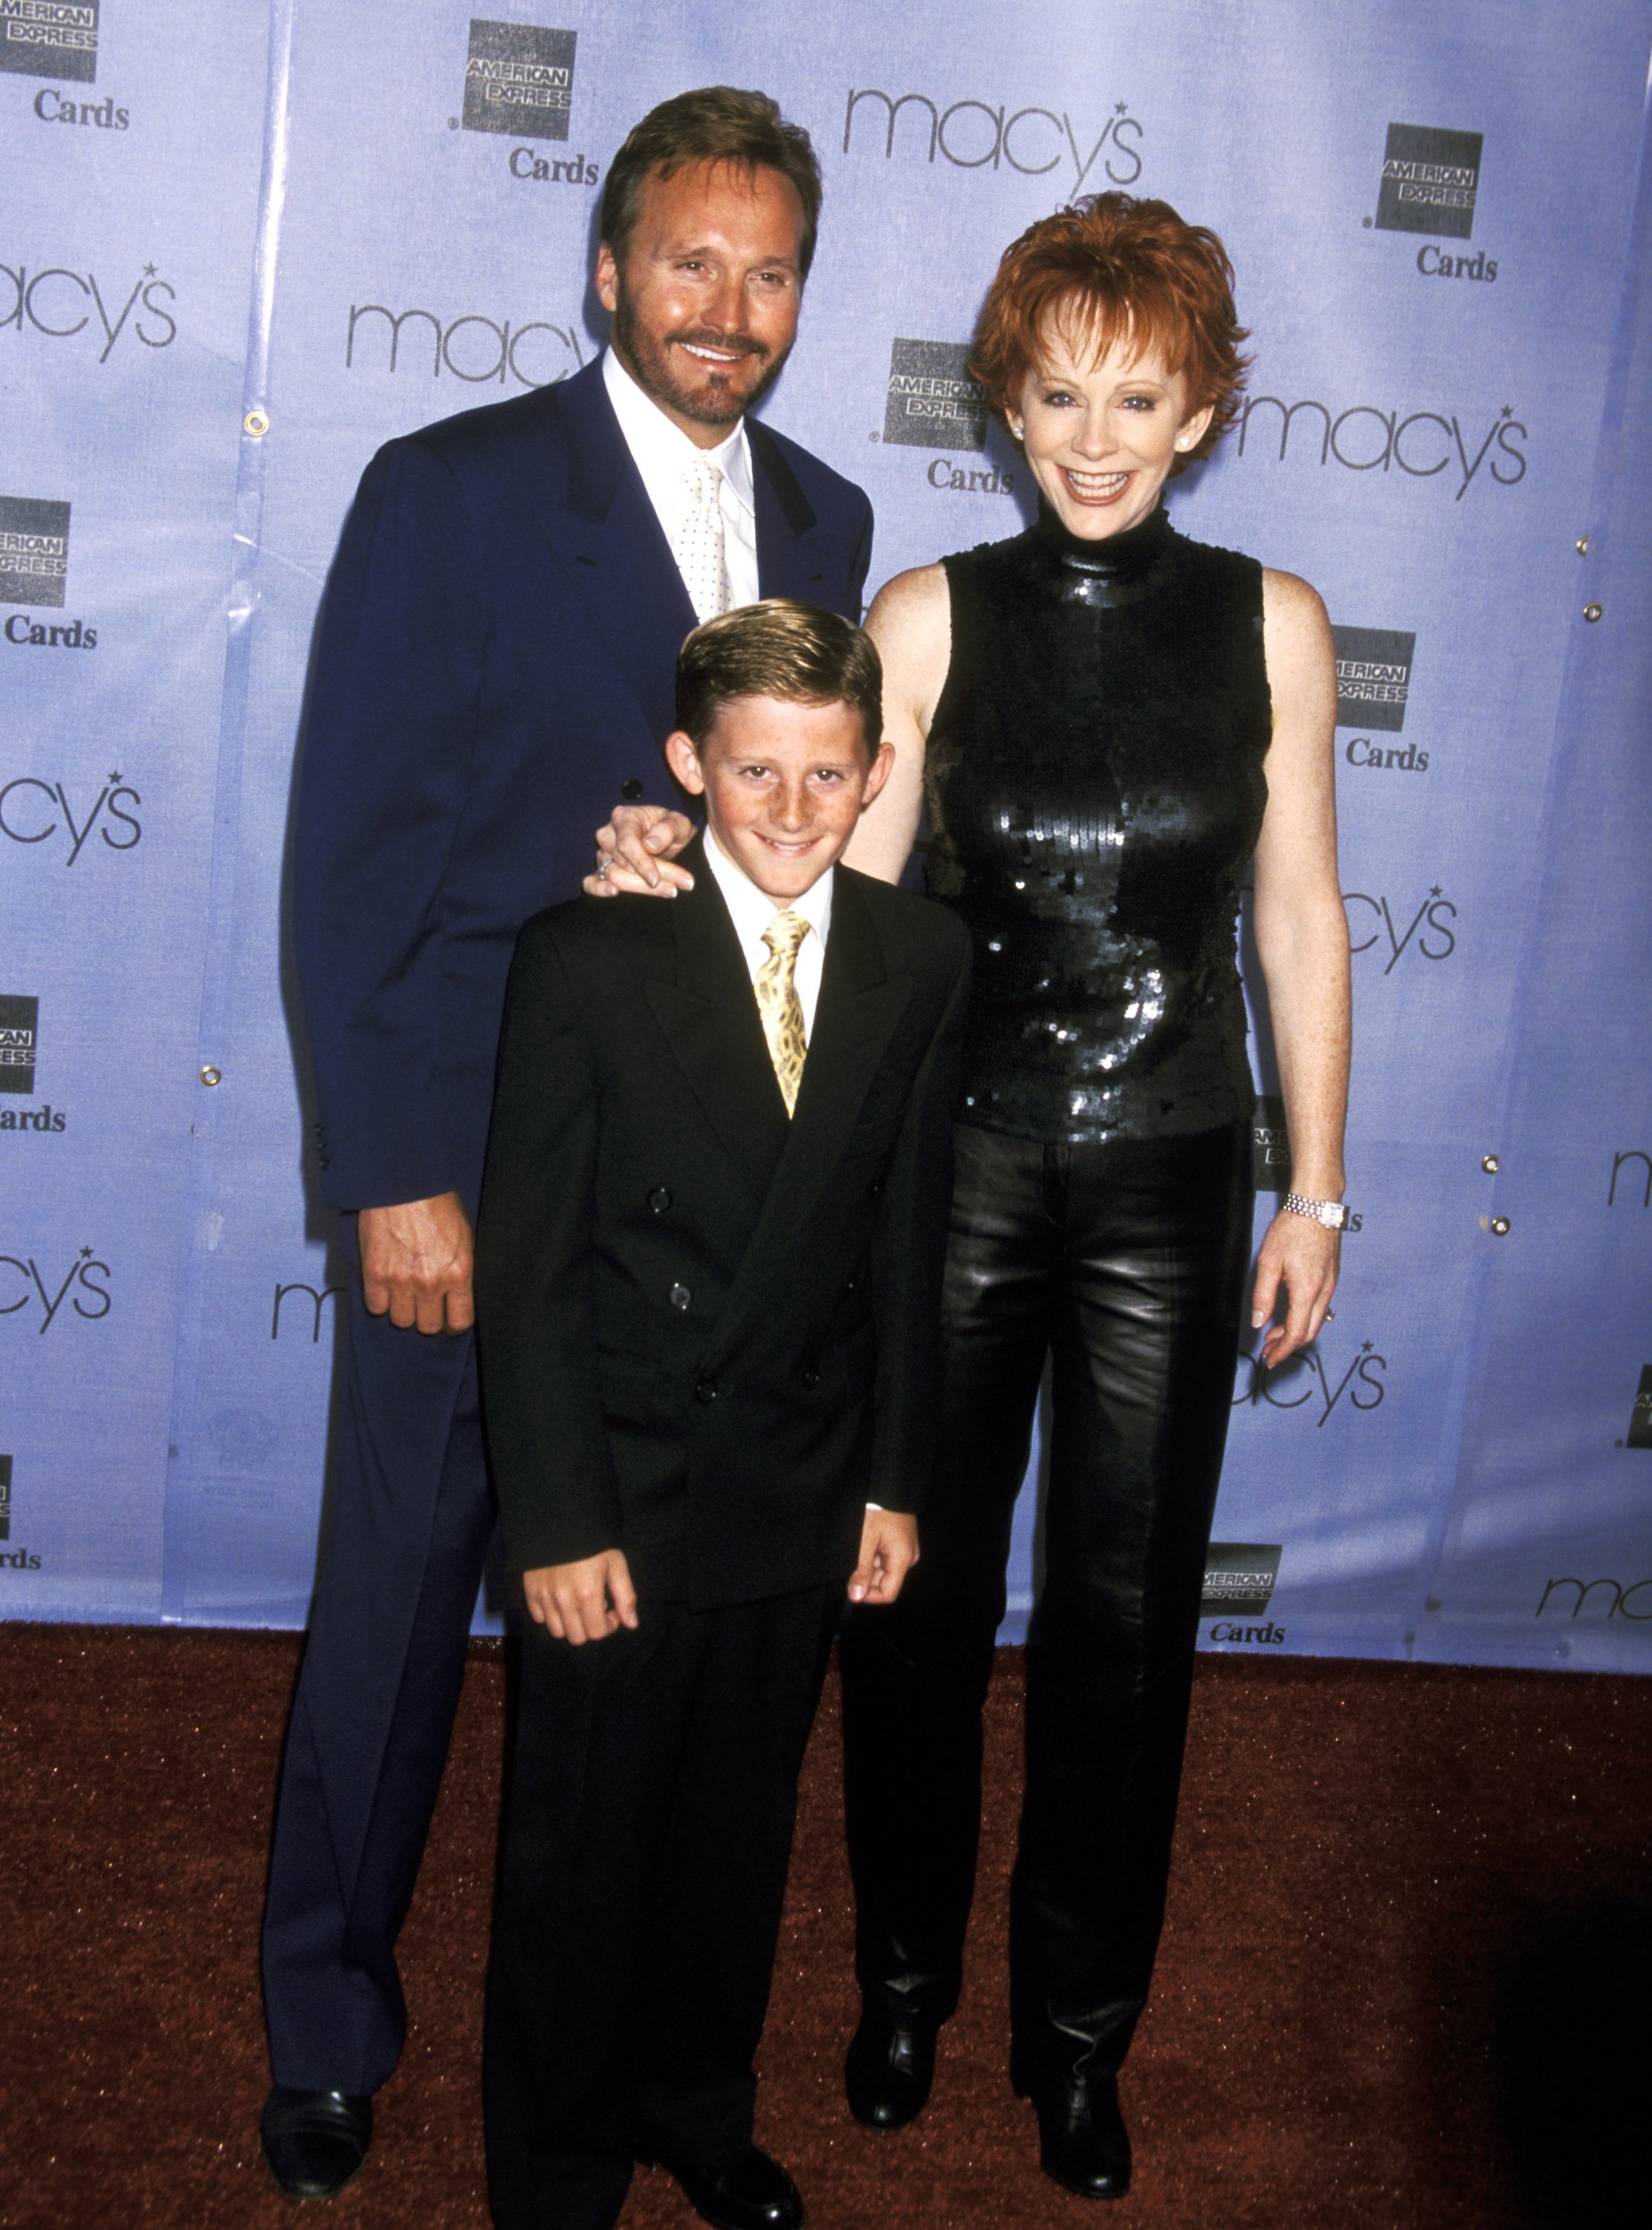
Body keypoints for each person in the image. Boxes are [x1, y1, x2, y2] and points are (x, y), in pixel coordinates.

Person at [591, 193, 1350, 2203]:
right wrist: (671, 880)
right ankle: (911, 1984)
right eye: (1054, 393)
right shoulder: (928, 613)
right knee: (909, 1610)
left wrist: (1319, 1194)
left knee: (1128, 1628)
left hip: (1177, 1182)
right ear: (1006, 405)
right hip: (959, 1177)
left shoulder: (1275, 623)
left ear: (1200, 410)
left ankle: (1080, 2037)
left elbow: (1299, 919)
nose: (1092, 435)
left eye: (1138, 395)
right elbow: (842, 910)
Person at [259, 88, 875, 2203]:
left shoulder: (828, 520)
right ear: (606, 269)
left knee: (637, 1675)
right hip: (478, 1176)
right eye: (689, 262)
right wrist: (391, 1172)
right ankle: (327, 2018)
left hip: (688, 1212)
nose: (729, 309)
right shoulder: (450, 494)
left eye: (769, 269)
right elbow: (353, 868)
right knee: (396, 1611)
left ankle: (620, 2070)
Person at [475, 599, 970, 2230]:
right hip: (619, 1479)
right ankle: (554, 2163)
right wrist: (554, 1519)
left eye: (827, 778)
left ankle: (696, 2105)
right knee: (583, 1842)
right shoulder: (585, 956)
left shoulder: (916, 959)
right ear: (687, 765)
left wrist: (893, 1479)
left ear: (876, 771)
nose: (787, 811)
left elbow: (901, 1237)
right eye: (752, 772)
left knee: (734, 1836)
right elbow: (534, 1267)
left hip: (798, 1473)